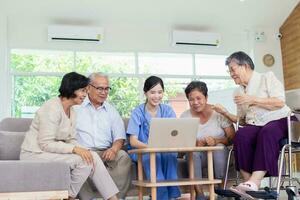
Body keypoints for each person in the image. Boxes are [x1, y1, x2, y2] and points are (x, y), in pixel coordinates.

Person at [20, 72, 119, 200]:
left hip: (52, 152)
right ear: (72, 89)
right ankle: (69, 197)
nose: (85, 95)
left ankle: (113, 199)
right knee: (84, 162)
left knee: (91, 157)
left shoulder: (72, 110)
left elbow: (71, 139)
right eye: (83, 91)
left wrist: (84, 150)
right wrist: (75, 149)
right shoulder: (51, 108)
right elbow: (45, 144)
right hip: (34, 153)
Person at [213, 51, 291, 199]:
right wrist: (225, 112)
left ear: (245, 66)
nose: (231, 74)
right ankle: (248, 185)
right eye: (229, 71)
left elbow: (280, 102)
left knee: (267, 132)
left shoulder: (267, 77)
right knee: (241, 135)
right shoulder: (239, 90)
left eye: (233, 69)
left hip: (281, 119)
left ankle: (255, 182)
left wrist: (253, 99)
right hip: (258, 125)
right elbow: (242, 120)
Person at [75, 72, 131, 200]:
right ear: (88, 88)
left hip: (105, 152)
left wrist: (114, 149)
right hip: (84, 153)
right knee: (76, 162)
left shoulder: (111, 110)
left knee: (123, 157)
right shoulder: (76, 107)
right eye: (100, 88)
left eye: (106, 88)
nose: (104, 92)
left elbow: (119, 137)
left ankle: (117, 197)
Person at [127, 76, 181, 200]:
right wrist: (152, 147)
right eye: (152, 92)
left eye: (160, 92)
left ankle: (172, 195)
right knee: (153, 155)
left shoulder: (168, 110)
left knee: (171, 154)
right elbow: (133, 141)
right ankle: (161, 196)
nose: (156, 96)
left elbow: (175, 134)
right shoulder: (137, 112)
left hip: (163, 148)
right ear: (145, 93)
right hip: (142, 150)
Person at [180, 81, 235, 200]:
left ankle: (221, 192)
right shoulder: (185, 117)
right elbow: (182, 143)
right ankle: (199, 194)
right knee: (193, 152)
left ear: (206, 97)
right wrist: (194, 143)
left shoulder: (218, 113)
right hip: (199, 156)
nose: (195, 102)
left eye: (199, 98)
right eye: (191, 99)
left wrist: (217, 141)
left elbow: (232, 138)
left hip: (219, 154)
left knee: (219, 149)